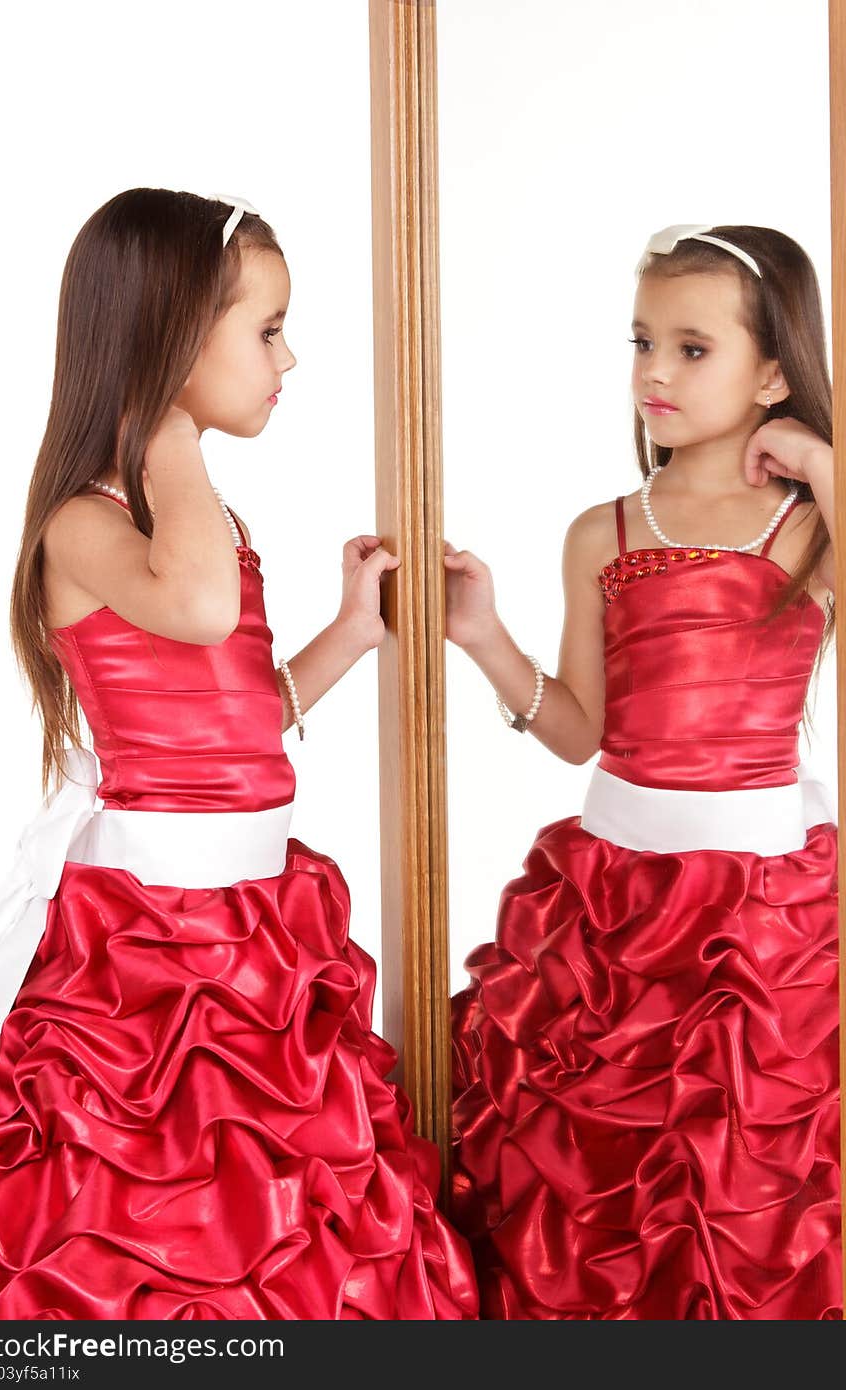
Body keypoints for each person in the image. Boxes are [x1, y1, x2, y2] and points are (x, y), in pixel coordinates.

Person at [0, 188, 478, 1320]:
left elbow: (238, 706)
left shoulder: (207, 518)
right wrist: (166, 427)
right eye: (264, 328)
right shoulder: (86, 520)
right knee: (156, 1192)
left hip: (258, 913)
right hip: (150, 932)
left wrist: (352, 631)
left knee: (296, 1195)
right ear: (173, 336)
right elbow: (198, 611)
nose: (287, 356)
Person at [444, 224, 840, 1320]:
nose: (653, 372)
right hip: (612, 908)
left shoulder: (804, 528)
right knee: (593, 1180)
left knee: (741, 1183)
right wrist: (483, 638)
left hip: (755, 921)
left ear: (773, 372)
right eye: (641, 342)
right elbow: (580, 731)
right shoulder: (602, 531)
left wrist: (823, 464)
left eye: (692, 349)